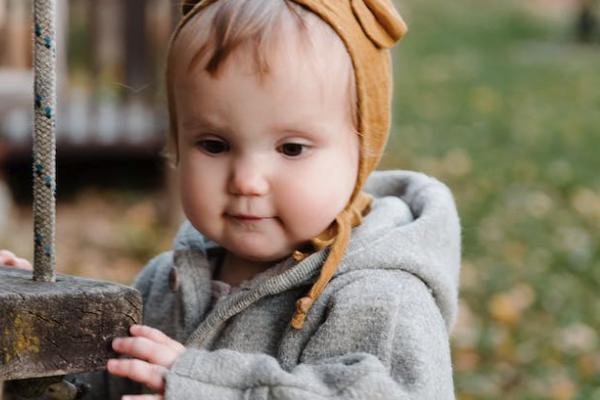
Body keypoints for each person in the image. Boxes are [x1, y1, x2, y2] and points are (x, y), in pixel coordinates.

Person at [0, 0, 462, 398]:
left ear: (361, 151)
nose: (247, 181)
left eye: (291, 149)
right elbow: (116, 382)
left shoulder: (381, 296)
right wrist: (47, 333)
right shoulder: (167, 281)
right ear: (177, 144)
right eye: (214, 145)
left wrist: (205, 386)